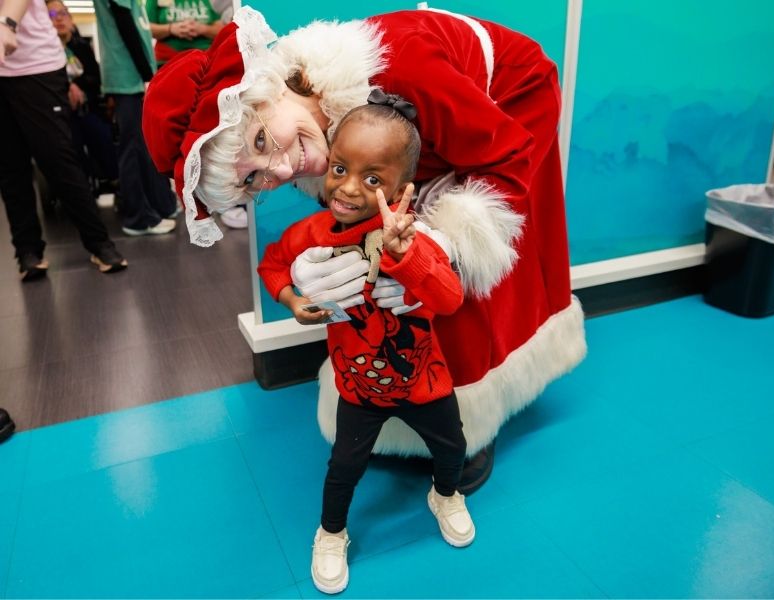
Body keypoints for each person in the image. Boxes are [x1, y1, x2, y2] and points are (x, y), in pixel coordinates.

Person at [142, 6, 587, 493]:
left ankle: (469, 426)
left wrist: (438, 247)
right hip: (425, 131)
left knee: (460, 268)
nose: (284, 171)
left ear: (266, 91)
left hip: (507, 105)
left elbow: (504, 158)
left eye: (264, 140)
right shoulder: (302, 126)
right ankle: (399, 410)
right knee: (398, 257)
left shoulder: (403, 66)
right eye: (254, 179)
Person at [260, 100, 474, 594]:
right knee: (343, 468)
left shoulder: (420, 239)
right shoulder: (307, 235)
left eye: (373, 179)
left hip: (425, 381)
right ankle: (331, 533)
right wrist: (293, 298)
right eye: (339, 168)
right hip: (357, 388)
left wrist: (407, 257)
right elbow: (271, 265)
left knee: (454, 447)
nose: (349, 187)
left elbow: (449, 298)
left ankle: (445, 496)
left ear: (401, 191)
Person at [0, 0, 128, 280]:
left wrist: (6, 24)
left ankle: (99, 243)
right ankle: (28, 252)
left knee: (58, 159)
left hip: (35, 64)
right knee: (10, 167)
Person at [93, 0, 177, 236]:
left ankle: (162, 205)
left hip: (132, 76)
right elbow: (124, 22)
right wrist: (146, 74)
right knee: (134, 148)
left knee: (145, 146)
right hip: (128, 77)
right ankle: (138, 218)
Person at [47, 0, 119, 192]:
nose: (59, 19)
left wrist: (77, 86)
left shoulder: (82, 47)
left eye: (63, 13)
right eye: (52, 16)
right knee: (70, 146)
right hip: (60, 113)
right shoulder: (45, 53)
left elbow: (96, 77)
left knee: (103, 135)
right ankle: (82, 188)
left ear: (70, 19)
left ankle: (113, 179)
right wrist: (67, 87)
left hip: (88, 108)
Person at [145, 0, 224, 69]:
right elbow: (145, 28)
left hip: (206, 61)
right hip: (167, 61)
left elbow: (222, 30)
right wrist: (170, 29)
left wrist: (203, 29)